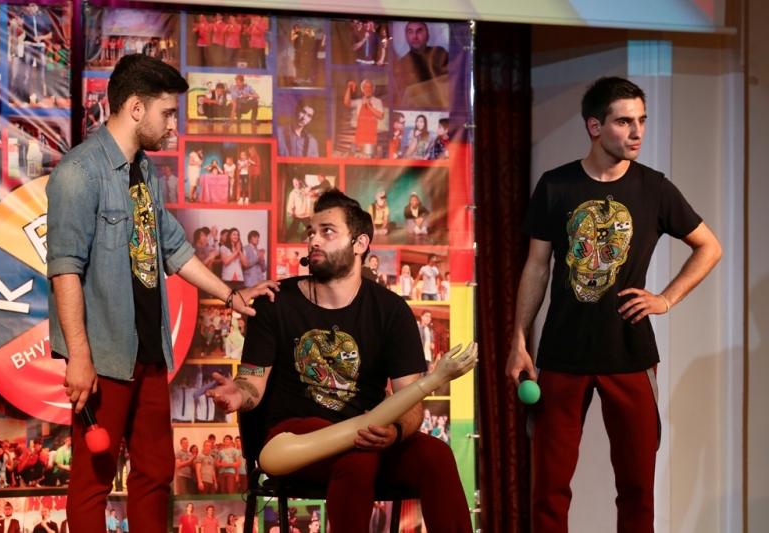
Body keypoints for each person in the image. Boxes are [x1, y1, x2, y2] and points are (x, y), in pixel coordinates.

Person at [46, 54, 278, 533]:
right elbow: (64, 269)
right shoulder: (78, 172)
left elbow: (173, 247)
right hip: (104, 354)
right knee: (93, 480)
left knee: (156, 472)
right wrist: (79, 357)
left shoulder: (145, 171)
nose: (173, 125)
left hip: (150, 351)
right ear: (136, 108)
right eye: (167, 113)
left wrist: (232, 296)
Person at [505, 76, 722, 533]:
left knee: (638, 489)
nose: (637, 131)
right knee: (549, 491)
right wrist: (519, 341)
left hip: (630, 354)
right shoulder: (556, 185)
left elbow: (709, 246)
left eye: (641, 120)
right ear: (595, 127)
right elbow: (537, 267)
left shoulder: (655, 188)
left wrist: (666, 299)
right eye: (624, 122)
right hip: (562, 354)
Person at [207, 189, 472, 532]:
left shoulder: (391, 311)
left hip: (367, 435)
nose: (314, 240)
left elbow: (411, 403)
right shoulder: (275, 301)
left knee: (436, 456)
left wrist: (393, 432)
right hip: (296, 437)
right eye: (311, 233)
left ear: (360, 243)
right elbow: (251, 382)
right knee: (357, 457)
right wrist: (239, 392)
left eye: (327, 231)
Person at [393, 21, 449, 107]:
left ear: (428, 37)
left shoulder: (440, 54)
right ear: (406, 37)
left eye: (419, 31)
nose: (415, 36)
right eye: (410, 32)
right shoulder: (402, 64)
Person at [343, 79, 383, 153]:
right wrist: (349, 88)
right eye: (366, 87)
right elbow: (346, 102)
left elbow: (381, 116)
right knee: (358, 156)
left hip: (371, 137)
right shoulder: (359, 101)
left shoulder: (377, 101)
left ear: (372, 89)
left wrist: (369, 106)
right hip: (360, 137)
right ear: (363, 89)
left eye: (369, 87)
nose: (368, 89)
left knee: (370, 156)